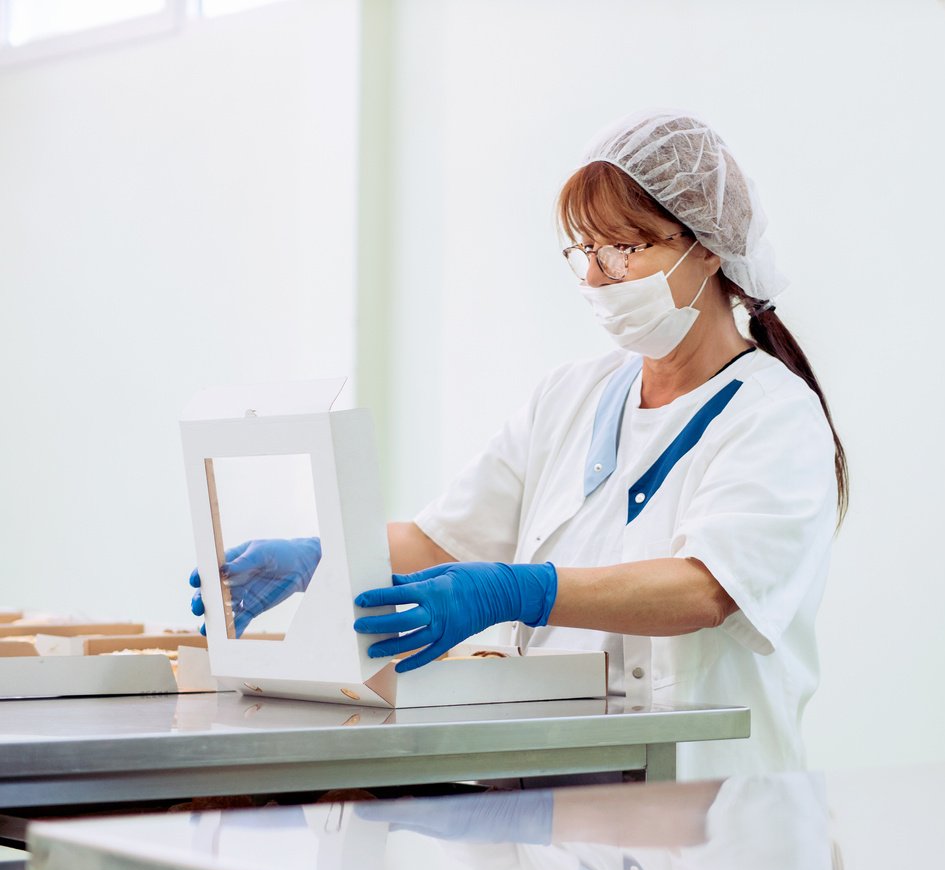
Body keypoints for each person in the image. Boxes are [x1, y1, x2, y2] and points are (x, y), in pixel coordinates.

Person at [191, 110, 848, 780]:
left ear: (706, 245)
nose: (596, 276)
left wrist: (517, 590)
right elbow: (444, 542)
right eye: (585, 250)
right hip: (569, 788)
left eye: (624, 247)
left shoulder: (774, 417)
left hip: (715, 804)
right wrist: (318, 558)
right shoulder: (571, 396)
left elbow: (706, 588)